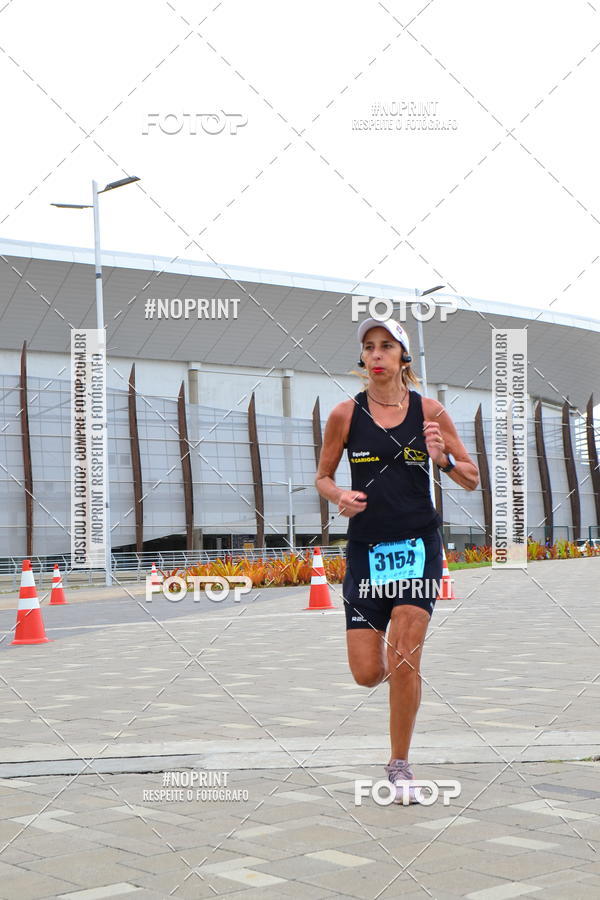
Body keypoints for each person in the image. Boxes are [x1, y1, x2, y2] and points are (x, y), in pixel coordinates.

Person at [315, 317, 479, 803]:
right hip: (367, 551)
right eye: (369, 347)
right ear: (363, 359)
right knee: (369, 672)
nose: (377, 353)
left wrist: (443, 460)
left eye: (387, 345)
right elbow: (322, 476)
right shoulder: (345, 414)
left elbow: (471, 476)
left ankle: (400, 763)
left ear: (403, 357)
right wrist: (338, 494)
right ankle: (398, 683)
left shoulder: (430, 412)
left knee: (405, 657)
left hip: (416, 546)